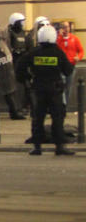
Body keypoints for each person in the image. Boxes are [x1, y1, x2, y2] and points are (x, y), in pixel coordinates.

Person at [15, 24, 75, 156]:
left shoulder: (34, 52)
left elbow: (19, 67)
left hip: (38, 89)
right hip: (55, 89)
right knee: (57, 118)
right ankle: (59, 146)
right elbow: (68, 70)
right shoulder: (58, 52)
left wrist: (27, 78)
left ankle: (37, 147)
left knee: (38, 118)